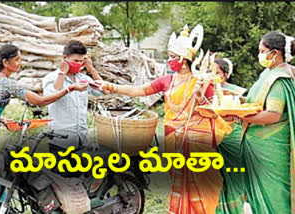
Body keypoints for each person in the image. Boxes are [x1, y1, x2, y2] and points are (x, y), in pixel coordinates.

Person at [97, 25, 232, 214]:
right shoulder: (167, 80)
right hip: (172, 137)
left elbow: (212, 109)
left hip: (194, 139)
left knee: (200, 185)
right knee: (179, 183)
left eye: (172, 56)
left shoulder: (201, 80)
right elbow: (139, 90)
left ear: (183, 60)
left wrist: (200, 96)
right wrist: (111, 86)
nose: (169, 60)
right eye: (168, 56)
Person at [0, 44, 87, 199]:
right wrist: (70, 89)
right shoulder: (5, 83)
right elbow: (40, 101)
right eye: (17, 59)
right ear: (6, 63)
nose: (21, 62)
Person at [218, 32, 295, 214]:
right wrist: (234, 104)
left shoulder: (279, 78)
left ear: (275, 53)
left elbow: (273, 114)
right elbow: (256, 104)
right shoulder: (267, 73)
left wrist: (241, 117)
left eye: (262, 51)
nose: (259, 55)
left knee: (274, 197)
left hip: (271, 150)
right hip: (259, 146)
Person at [42, 40, 103, 175]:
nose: (79, 64)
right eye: (76, 61)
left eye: (82, 61)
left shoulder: (83, 78)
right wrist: (63, 74)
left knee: (80, 182)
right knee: (62, 183)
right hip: (61, 140)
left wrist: (91, 68)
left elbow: (102, 90)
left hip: (81, 138)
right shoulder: (50, 78)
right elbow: (52, 95)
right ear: (65, 58)